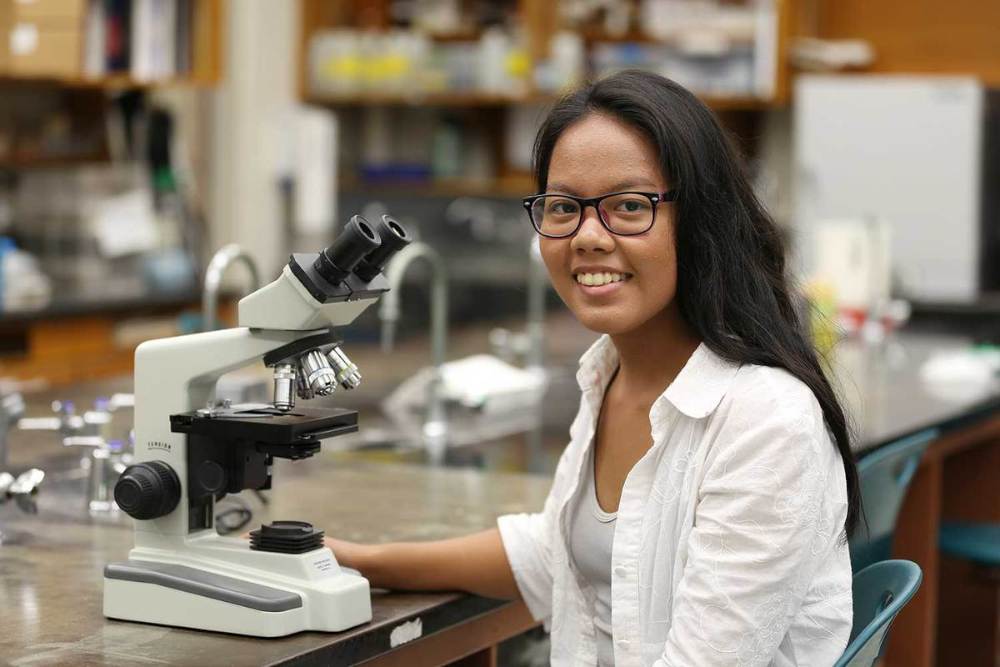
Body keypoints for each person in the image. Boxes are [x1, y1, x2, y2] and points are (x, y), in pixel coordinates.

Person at [326, 70, 859, 666]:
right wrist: (363, 562)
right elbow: (561, 550)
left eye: (629, 206)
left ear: (700, 222)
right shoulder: (610, 374)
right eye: (563, 207)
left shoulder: (765, 418)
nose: (587, 236)